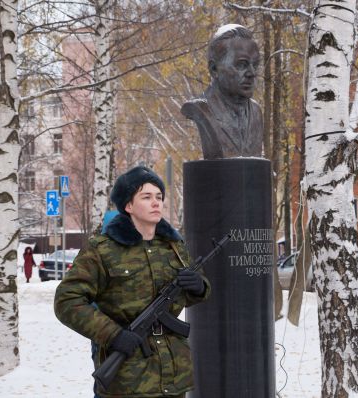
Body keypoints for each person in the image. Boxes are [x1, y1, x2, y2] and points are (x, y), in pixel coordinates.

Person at [54, 166, 210, 398]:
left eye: (159, 197)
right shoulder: (102, 249)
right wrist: (113, 335)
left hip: (174, 374)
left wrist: (199, 287)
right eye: (146, 197)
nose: (156, 203)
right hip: (128, 377)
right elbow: (67, 301)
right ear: (128, 206)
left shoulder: (173, 247)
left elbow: (190, 292)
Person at [181, 24, 263, 159]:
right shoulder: (202, 109)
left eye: (255, 65)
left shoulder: (256, 112)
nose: (252, 73)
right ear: (214, 69)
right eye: (242, 64)